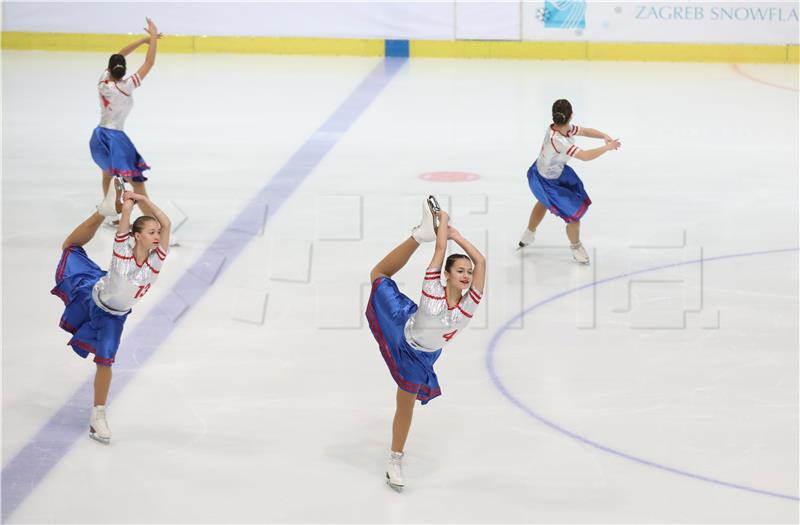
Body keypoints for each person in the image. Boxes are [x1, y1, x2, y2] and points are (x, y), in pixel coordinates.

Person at [366, 196, 486, 489]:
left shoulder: (470, 304)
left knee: (405, 402)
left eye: (468, 273)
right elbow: (441, 249)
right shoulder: (433, 289)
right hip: (402, 327)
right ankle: (395, 458)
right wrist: (441, 227)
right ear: (446, 275)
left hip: (425, 354)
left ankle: (420, 232)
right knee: (378, 276)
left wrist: (457, 235)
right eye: (460, 271)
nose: (467, 276)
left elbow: (481, 261)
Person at [51, 184, 171, 443]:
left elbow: (166, 222)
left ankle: (98, 415)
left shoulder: (157, 258)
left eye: (158, 233)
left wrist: (142, 200)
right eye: (151, 232)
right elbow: (125, 224)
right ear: (137, 236)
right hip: (91, 294)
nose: (157, 236)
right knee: (69, 247)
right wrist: (126, 206)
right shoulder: (123, 249)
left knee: (105, 361)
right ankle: (102, 212)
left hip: (113, 317)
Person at [518, 99, 621, 264]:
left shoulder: (561, 128)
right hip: (546, 182)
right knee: (573, 218)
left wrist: (603, 136)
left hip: (553, 173)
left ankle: (529, 233)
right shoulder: (559, 141)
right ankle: (575, 247)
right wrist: (606, 147)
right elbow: (585, 156)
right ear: (571, 115)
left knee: (543, 203)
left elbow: (586, 132)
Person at [89, 17, 162, 220]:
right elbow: (150, 62)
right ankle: (157, 224)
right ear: (123, 70)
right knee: (137, 183)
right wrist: (153, 38)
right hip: (116, 137)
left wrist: (142, 40)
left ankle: (111, 210)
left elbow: (119, 54)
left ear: (109, 68)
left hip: (99, 135)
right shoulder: (127, 86)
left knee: (107, 172)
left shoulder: (103, 81)